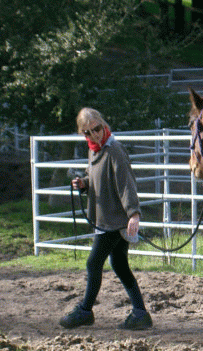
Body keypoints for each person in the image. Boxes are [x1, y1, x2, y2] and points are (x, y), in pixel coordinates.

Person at [60, 107, 152, 330]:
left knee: (93, 263)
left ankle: (85, 311)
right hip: (106, 218)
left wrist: (134, 213)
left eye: (97, 129)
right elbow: (95, 177)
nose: (94, 135)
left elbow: (126, 184)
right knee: (119, 265)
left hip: (113, 220)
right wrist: (84, 183)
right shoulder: (94, 151)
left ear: (103, 124)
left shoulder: (115, 150)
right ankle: (140, 314)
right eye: (88, 132)